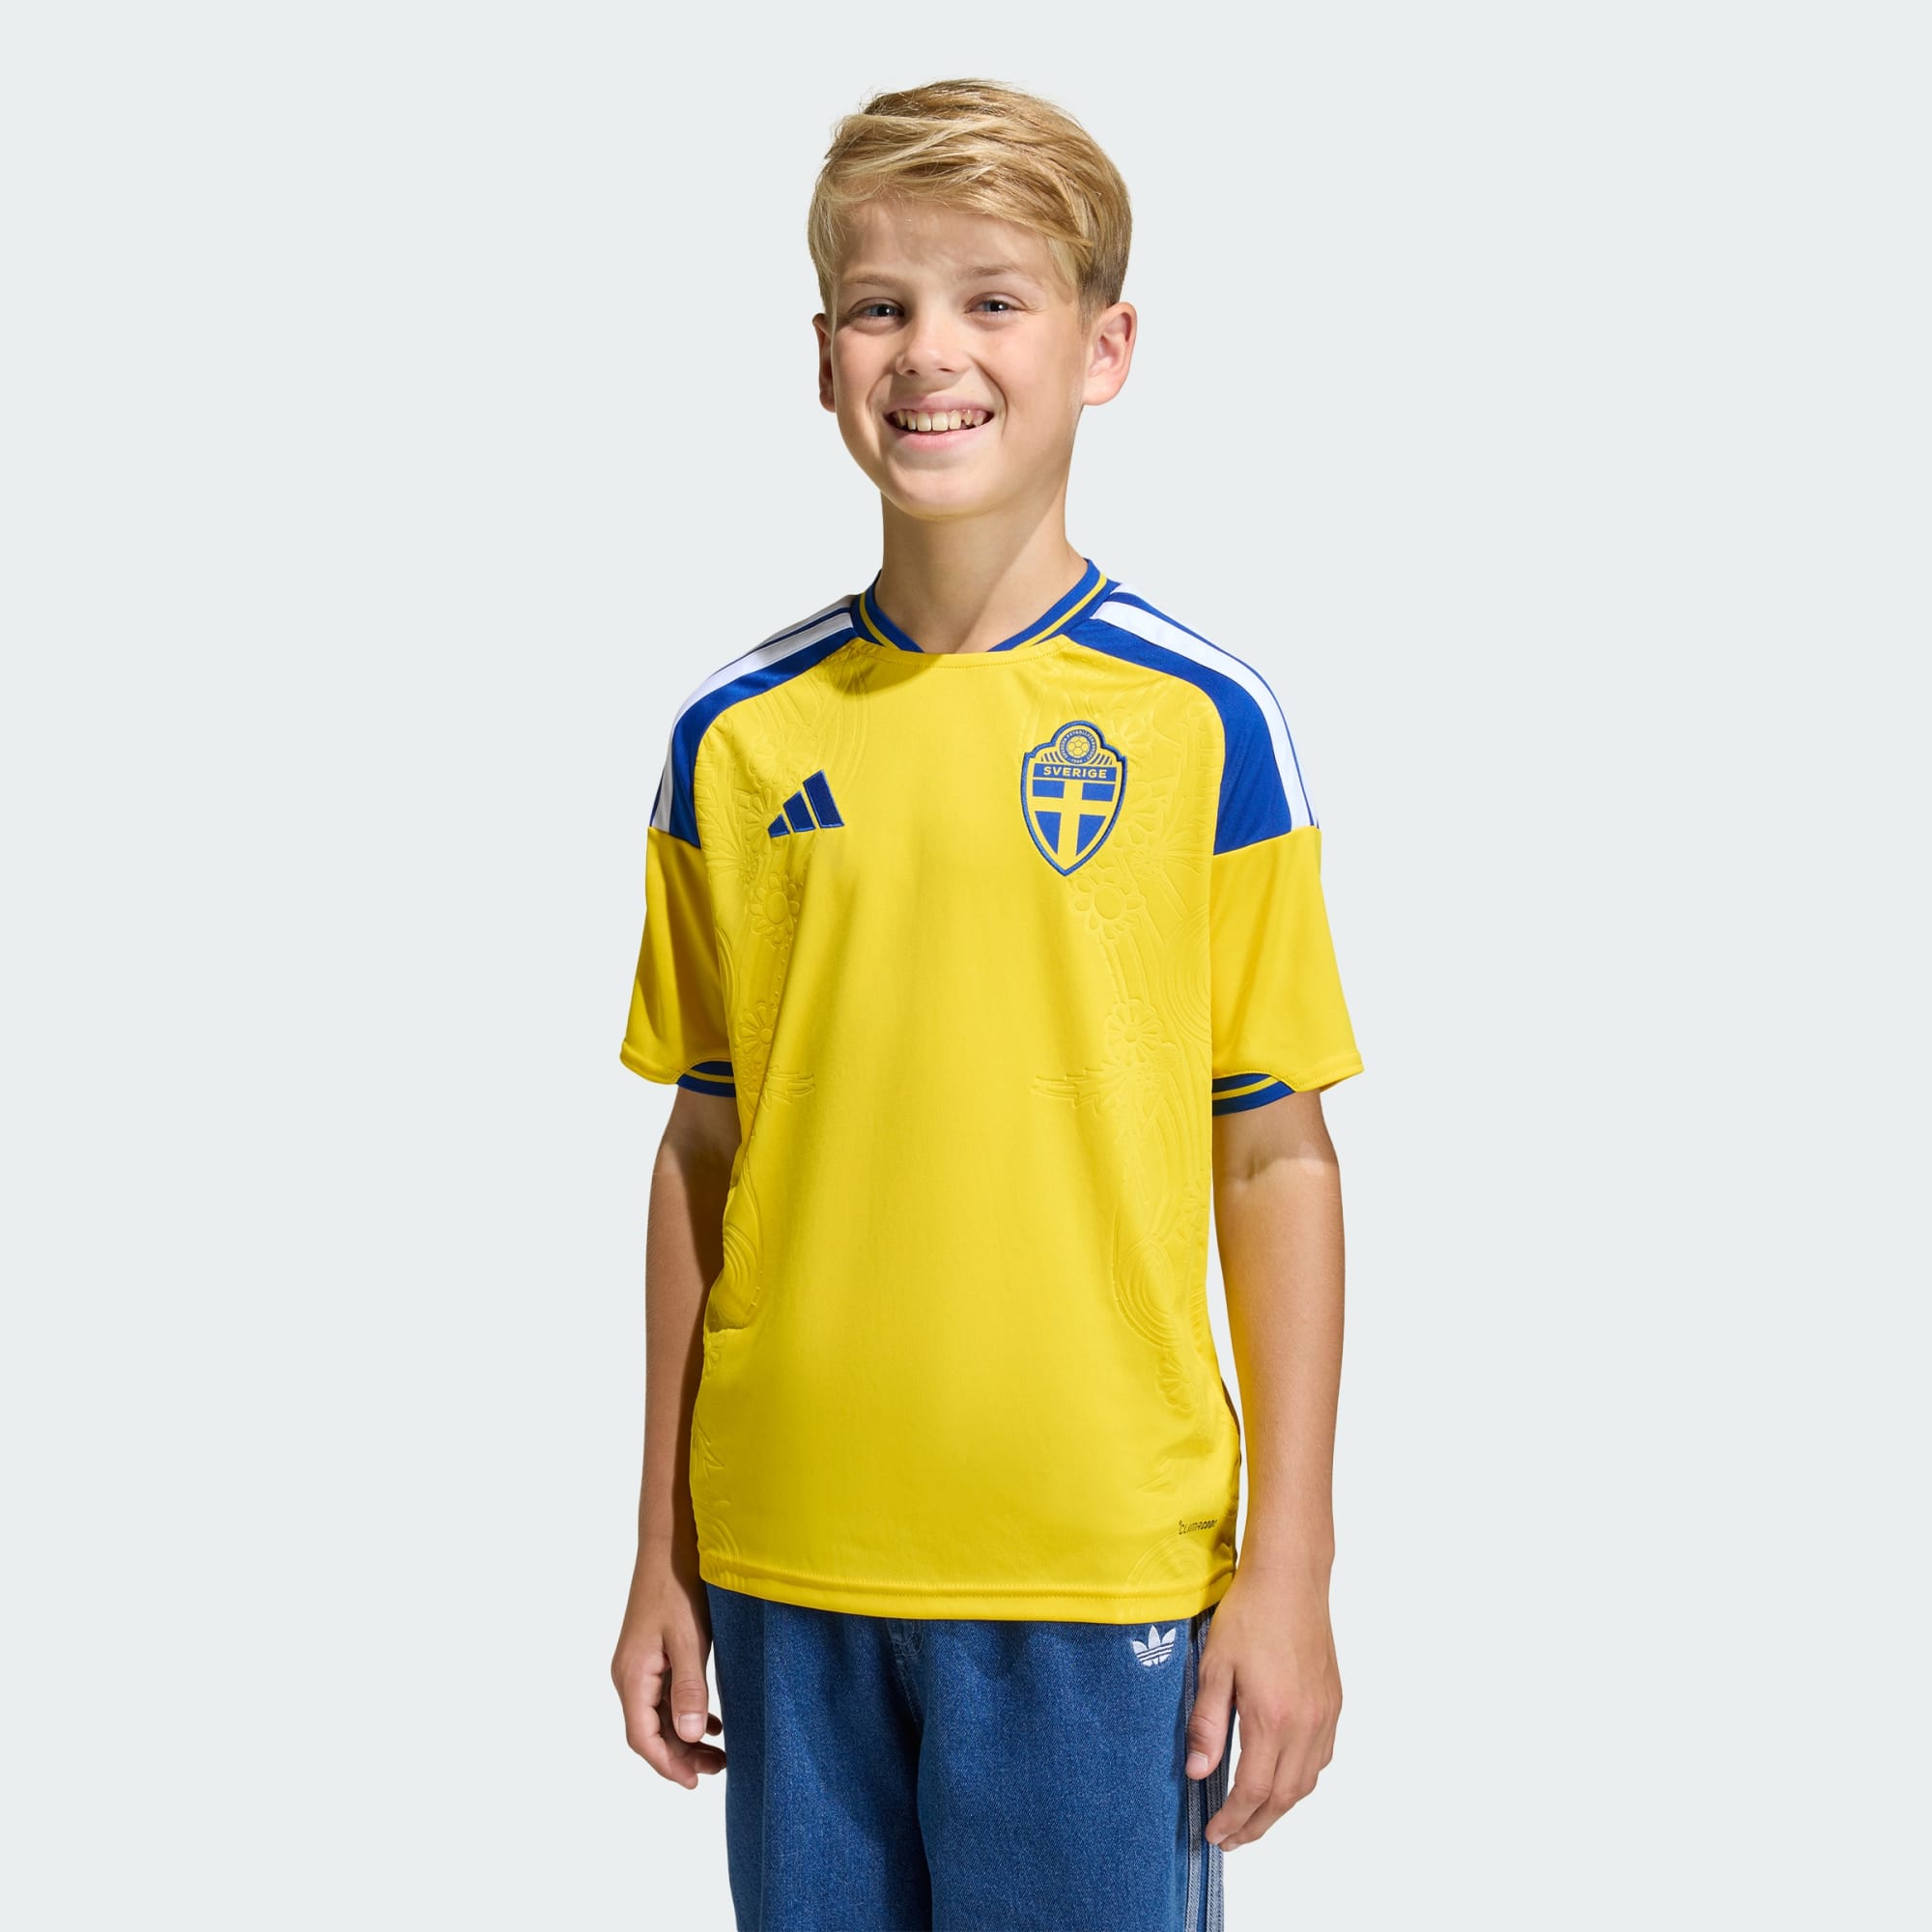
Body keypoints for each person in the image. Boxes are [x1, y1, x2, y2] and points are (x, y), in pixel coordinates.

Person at [610, 76, 1364, 1932]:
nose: (930, 352)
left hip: (1094, 1568)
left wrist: (1291, 1570)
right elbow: (704, 1143)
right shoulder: (734, 737)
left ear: (1105, 350)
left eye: (992, 299)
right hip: (790, 1554)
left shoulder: (1203, 724)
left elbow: (1271, 1155)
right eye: (881, 305)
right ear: (822, 357)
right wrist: (662, 1546)